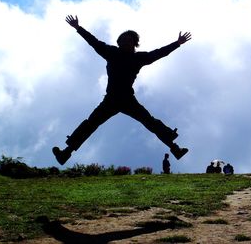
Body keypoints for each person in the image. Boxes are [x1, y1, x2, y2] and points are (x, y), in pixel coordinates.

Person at [52, 15, 192, 165]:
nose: (125, 43)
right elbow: (94, 42)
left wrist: (177, 43)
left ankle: (175, 149)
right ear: (118, 43)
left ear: (134, 44)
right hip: (111, 99)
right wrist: (78, 28)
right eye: (123, 40)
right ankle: (66, 153)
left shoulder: (139, 58)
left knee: (150, 122)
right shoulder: (111, 52)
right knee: (90, 124)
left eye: (129, 40)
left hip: (127, 99)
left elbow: (158, 53)